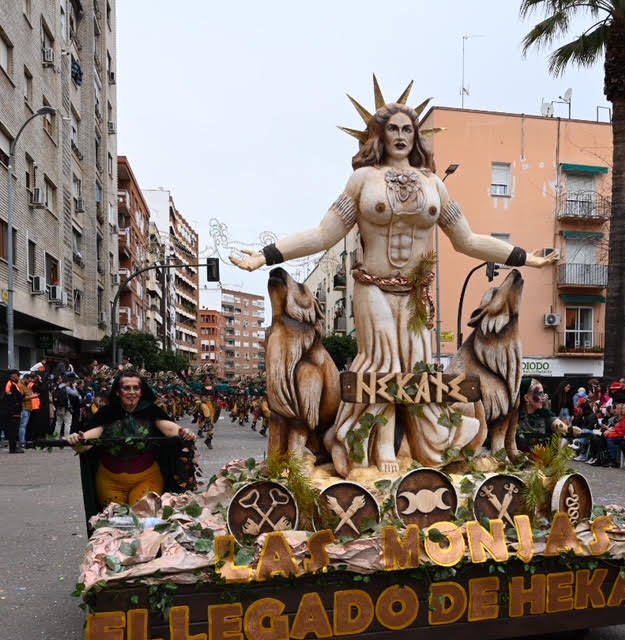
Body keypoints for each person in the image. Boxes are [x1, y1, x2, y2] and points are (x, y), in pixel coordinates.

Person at [230, 89, 556, 475]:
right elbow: (323, 235)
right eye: (393, 128)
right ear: (379, 135)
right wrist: (263, 256)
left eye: (408, 128)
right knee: (382, 364)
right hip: (373, 286)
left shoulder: (434, 184)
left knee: (417, 368)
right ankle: (379, 444)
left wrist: (526, 257)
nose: (401, 135)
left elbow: (468, 240)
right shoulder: (362, 180)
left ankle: (424, 445)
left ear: (417, 135)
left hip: (415, 293)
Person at [66, 371, 197, 514]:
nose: (132, 392)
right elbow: (86, 441)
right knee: (115, 524)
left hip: (147, 478)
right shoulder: (107, 413)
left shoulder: (150, 410)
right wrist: (76, 440)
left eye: (136, 388)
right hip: (109, 482)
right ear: (117, 392)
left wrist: (184, 432)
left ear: (142, 391)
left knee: (143, 521)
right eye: (127, 388)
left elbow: (170, 428)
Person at [516, 379, 567, 453]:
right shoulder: (513, 416)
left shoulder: (545, 414)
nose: (543, 398)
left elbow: (565, 430)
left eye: (543, 393)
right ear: (526, 398)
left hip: (540, 462)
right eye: (539, 394)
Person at [2, 371, 26, 454]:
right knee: (13, 430)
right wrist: (22, 394)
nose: (19, 377)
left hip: (14, 410)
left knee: (14, 430)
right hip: (13, 411)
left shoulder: (13, 384)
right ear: (13, 376)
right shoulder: (11, 384)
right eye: (18, 376)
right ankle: (13, 448)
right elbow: (19, 396)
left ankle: (14, 447)